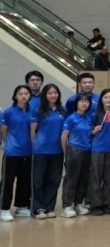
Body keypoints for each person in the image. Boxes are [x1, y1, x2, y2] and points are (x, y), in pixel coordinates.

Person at [30, 84, 66, 218]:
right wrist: (35, 145)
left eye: (55, 93)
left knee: (54, 180)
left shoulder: (63, 110)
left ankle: (49, 207)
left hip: (57, 150)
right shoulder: (38, 110)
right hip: (40, 151)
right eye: (50, 93)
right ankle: (38, 208)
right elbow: (33, 130)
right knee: (38, 180)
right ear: (45, 95)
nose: (53, 95)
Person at [0, 85, 36, 221]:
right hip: (12, 152)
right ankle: (4, 209)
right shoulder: (8, 112)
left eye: (26, 93)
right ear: (15, 96)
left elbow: (33, 131)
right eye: (20, 94)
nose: (24, 96)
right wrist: (10, 143)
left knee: (24, 180)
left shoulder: (32, 112)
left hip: (27, 152)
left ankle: (21, 207)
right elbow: (3, 130)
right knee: (7, 181)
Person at [60, 94, 94, 217]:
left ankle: (78, 203)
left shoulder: (88, 118)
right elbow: (64, 136)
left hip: (87, 151)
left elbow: (88, 133)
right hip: (74, 151)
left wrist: (95, 131)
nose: (84, 104)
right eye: (81, 101)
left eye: (87, 102)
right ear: (76, 103)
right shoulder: (71, 118)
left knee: (84, 179)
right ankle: (67, 206)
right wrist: (66, 152)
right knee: (71, 179)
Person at [89, 89, 110, 216]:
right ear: (101, 99)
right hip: (97, 149)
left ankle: (107, 203)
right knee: (96, 178)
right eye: (106, 97)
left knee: (109, 178)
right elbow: (89, 131)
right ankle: (96, 204)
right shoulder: (95, 114)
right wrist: (94, 130)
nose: (108, 100)